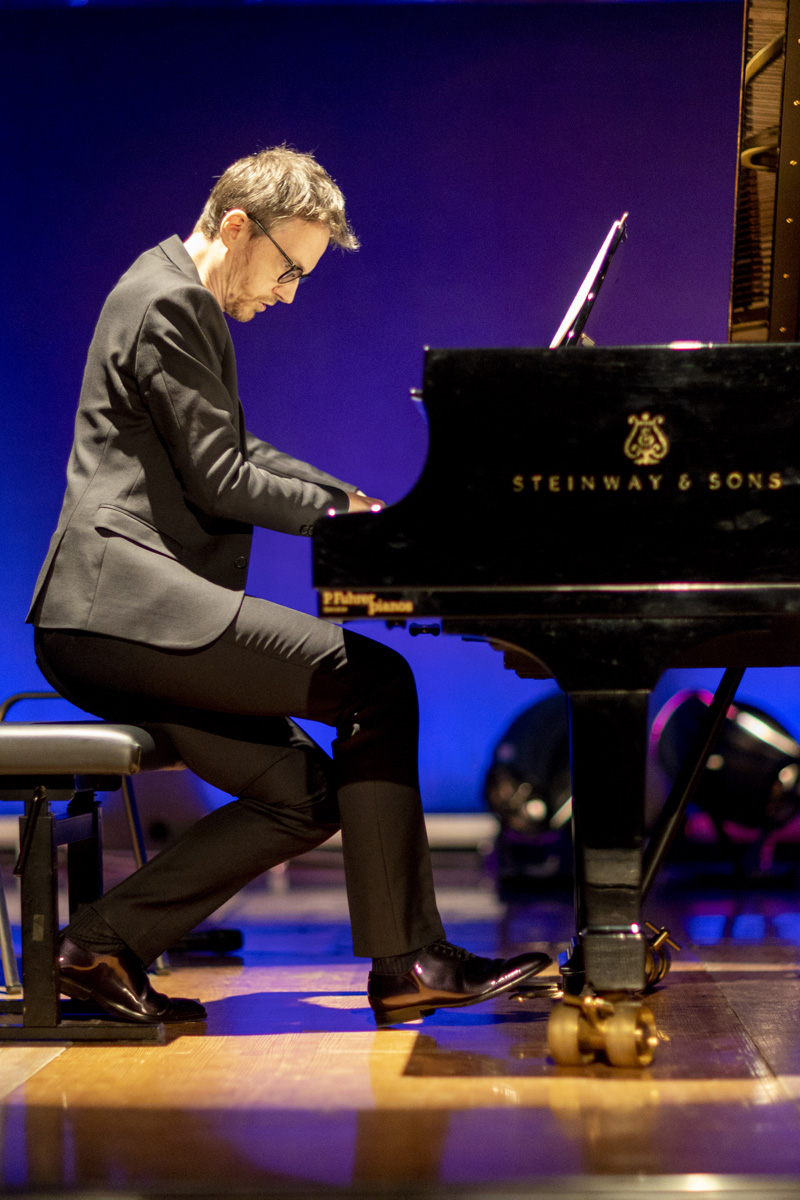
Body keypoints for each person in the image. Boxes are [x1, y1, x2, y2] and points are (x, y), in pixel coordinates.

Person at [26, 146, 550, 1026]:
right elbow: (222, 477)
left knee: (305, 793)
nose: (289, 293)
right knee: (376, 684)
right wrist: (349, 523)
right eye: (288, 268)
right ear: (237, 226)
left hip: (123, 616)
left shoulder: (171, 292)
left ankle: (100, 945)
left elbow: (239, 449)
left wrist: (357, 504)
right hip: (114, 611)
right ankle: (409, 962)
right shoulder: (170, 302)